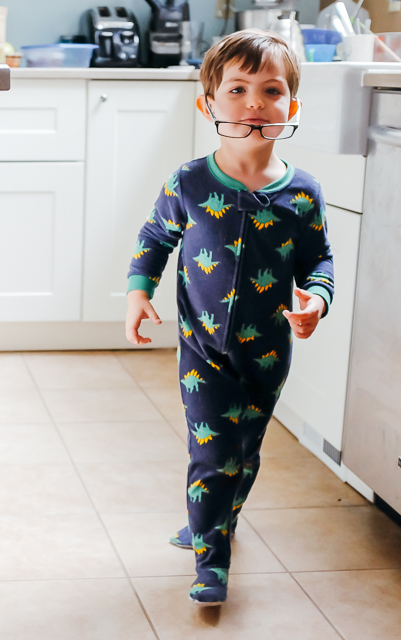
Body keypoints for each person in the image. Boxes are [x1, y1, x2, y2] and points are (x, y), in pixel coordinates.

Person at [124, 29, 334, 606]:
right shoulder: (189, 183)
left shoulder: (304, 194)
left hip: (267, 351)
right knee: (214, 452)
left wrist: (316, 299)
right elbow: (154, 237)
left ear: (291, 106)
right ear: (208, 103)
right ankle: (210, 559)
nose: (253, 104)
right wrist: (139, 291)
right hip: (203, 350)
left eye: (270, 90)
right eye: (237, 89)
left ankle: (211, 520)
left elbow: (319, 261)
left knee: (245, 451)